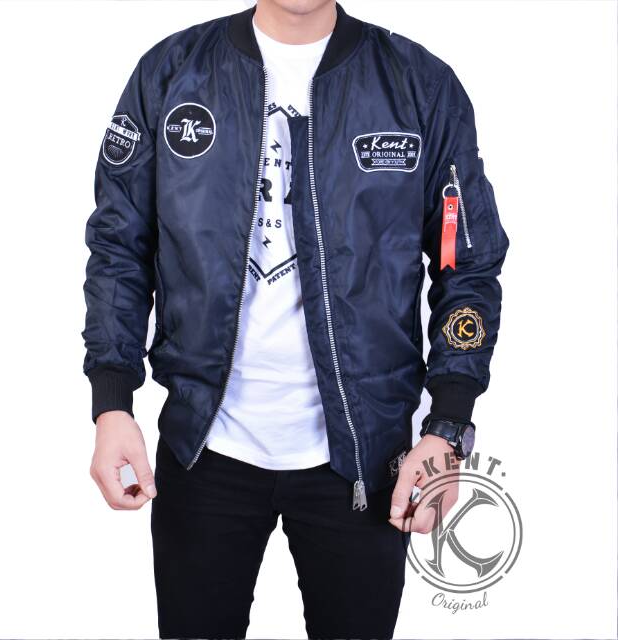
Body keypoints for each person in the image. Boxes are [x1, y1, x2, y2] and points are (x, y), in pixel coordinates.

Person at [82, 1, 509, 638]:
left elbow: (467, 265)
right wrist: (112, 402)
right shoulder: (171, 73)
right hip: (204, 449)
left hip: (364, 457)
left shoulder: (419, 85)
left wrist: (446, 428)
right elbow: (120, 247)